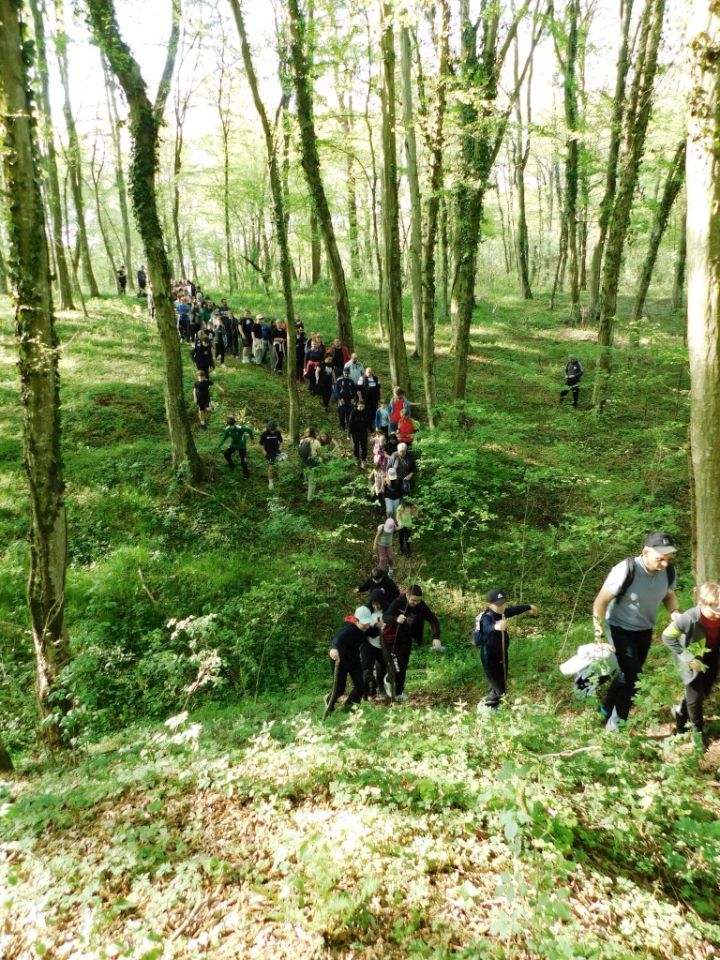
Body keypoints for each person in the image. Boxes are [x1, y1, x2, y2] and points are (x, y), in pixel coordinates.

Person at [592, 532, 680, 730]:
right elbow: (601, 601)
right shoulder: (625, 569)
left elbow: (669, 595)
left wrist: (674, 612)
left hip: (644, 629)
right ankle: (616, 727)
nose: (665, 563)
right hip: (618, 628)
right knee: (635, 679)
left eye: (668, 559)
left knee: (627, 674)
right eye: (660, 559)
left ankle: (605, 710)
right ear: (645, 552)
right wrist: (598, 630)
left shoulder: (668, 572)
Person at [662, 581, 720, 752]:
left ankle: (680, 710)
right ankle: (696, 731)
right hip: (690, 656)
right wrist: (688, 658)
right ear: (701, 603)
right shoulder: (689, 618)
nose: (718, 612)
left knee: (704, 691)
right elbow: (667, 636)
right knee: (695, 696)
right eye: (714, 607)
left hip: (711, 654)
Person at [472, 589, 539, 709]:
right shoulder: (487, 617)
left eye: (503, 603)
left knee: (501, 680)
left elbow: (514, 610)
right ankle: (490, 707)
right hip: (489, 656)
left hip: (502, 654)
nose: (502, 606)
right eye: (498, 604)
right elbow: (486, 628)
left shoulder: (502, 612)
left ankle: (498, 703)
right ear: (489, 605)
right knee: (498, 686)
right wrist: (496, 626)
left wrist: (529, 606)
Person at [383, 585, 442, 701]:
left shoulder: (420, 604)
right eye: (413, 600)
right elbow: (385, 617)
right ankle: (389, 680)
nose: (416, 603)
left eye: (418, 600)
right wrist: (396, 619)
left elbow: (433, 619)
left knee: (403, 665)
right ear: (407, 595)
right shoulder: (398, 602)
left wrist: (436, 637)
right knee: (397, 666)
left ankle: (399, 692)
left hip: (406, 638)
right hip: (392, 638)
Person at [325, 606, 374, 714]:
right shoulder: (349, 628)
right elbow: (337, 638)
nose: (367, 625)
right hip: (340, 660)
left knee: (360, 686)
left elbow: (373, 633)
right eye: (364, 623)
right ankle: (329, 701)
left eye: (368, 623)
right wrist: (333, 649)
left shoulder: (365, 627)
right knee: (340, 689)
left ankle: (348, 708)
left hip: (354, 659)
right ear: (356, 620)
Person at [360, 589, 388, 699]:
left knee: (383, 666)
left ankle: (381, 686)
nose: (376, 606)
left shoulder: (388, 609)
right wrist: (375, 627)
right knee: (367, 668)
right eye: (374, 604)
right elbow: (363, 629)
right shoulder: (366, 611)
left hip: (382, 644)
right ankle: (367, 691)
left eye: (378, 604)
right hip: (368, 643)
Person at [298, 427, 321, 502]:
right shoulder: (316, 442)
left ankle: (305, 479)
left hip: (304, 463)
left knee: (307, 476)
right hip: (312, 463)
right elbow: (319, 453)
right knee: (312, 482)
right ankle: (310, 498)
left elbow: (300, 453)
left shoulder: (302, 441)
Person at [259, 420, 283, 490]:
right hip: (268, 453)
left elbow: (281, 441)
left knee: (278, 465)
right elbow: (261, 444)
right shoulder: (264, 434)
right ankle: (270, 482)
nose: (272, 431)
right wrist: (263, 451)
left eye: (273, 430)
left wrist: (280, 448)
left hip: (277, 451)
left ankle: (279, 479)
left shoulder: (278, 433)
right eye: (271, 430)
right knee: (270, 467)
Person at [348, 398, 370, 468]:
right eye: (360, 406)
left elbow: (368, 423)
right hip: (355, 432)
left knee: (364, 446)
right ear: (357, 405)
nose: (361, 408)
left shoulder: (366, 412)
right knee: (356, 446)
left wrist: (371, 431)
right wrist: (348, 434)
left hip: (363, 432)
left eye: (363, 406)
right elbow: (350, 423)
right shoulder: (353, 412)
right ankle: (356, 458)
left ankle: (363, 460)